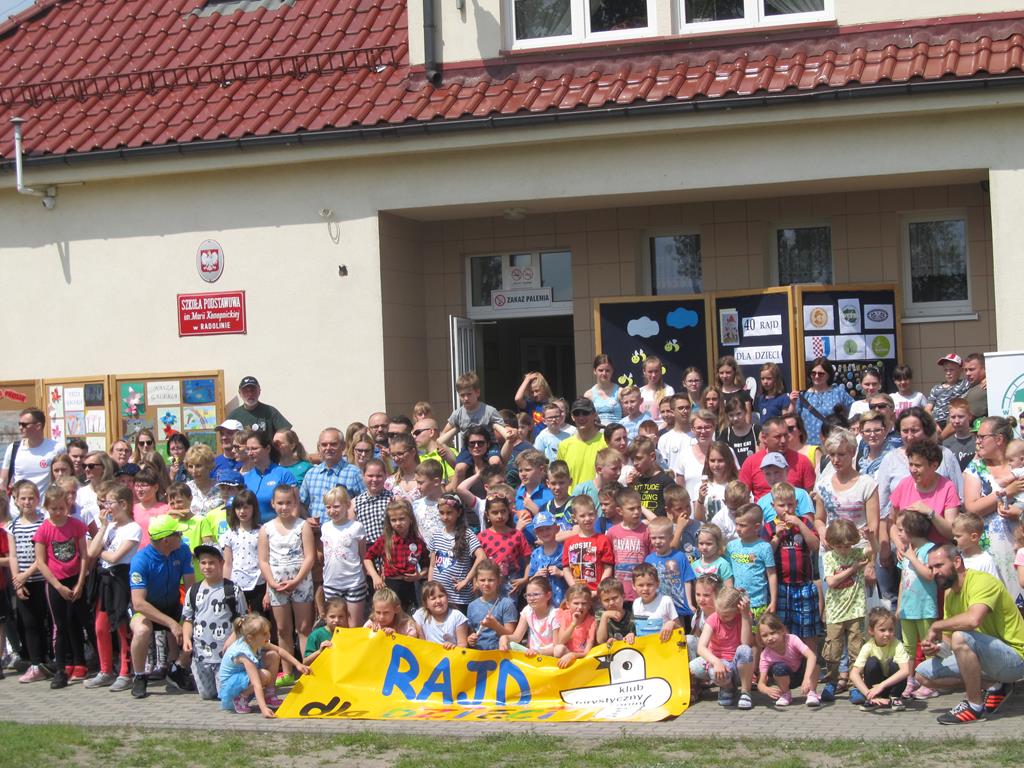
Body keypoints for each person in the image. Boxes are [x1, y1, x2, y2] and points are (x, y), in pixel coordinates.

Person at [916, 545, 1024, 724]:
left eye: (939, 565)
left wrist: (936, 626)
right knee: (923, 675)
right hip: (987, 659)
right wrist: (937, 649)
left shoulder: (982, 581)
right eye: (931, 568)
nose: (935, 572)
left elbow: (974, 620)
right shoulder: (951, 596)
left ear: (957, 562)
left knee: (961, 636)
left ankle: (974, 706)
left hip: (1016, 659)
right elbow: (949, 644)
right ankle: (994, 686)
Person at [127, 514, 196, 699]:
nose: (181, 537)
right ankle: (139, 676)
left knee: (194, 625)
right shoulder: (140, 560)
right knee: (142, 630)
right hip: (146, 609)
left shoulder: (183, 550)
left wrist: (186, 619)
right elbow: (139, 603)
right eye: (178, 534)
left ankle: (177, 669)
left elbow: (191, 587)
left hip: (172, 604)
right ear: (166, 540)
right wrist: (171, 624)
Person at [33, 486, 91, 689]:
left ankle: (82, 662)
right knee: (61, 626)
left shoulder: (76, 525)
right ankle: (60, 669)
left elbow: (84, 555)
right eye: (53, 508)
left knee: (80, 621)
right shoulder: (44, 529)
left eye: (61, 508)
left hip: (75, 579)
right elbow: (41, 562)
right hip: (56, 582)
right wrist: (58, 586)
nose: (58, 512)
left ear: (67, 506)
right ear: (47, 508)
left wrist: (80, 583)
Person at [257, 485, 315, 686]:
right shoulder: (266, 529)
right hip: (277, 584)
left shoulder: (302, 526)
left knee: (304, 628)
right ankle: (287, 671)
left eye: (288, 503)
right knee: (282, 629)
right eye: (280, 503)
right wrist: (272, 583)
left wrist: (297, 580)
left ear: (295, 503)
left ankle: (307, 669)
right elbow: (263, 560)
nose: (284, 507)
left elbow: (309, 556)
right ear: (273, 504)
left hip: (301, 581)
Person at [85, 483, 140, 690]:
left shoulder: (133, 528)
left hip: (121, 579)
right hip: (105, 580)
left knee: (122, 626)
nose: (106, 507)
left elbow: (116, 557)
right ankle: (105, 670)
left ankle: (126, 672)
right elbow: (91, 552)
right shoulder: (109, 527)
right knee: (100, 626)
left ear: (123, 504)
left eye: (110, 503)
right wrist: (103, 527)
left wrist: (100, 552)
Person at [963, 416, 1023, 600]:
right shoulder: (975, 468)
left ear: (998, 439)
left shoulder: (1020, 464)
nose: (977, 441)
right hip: (990, 551)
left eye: (982, 437)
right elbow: (972, 508)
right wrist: (1007, 492)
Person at [182, 543, 247, 701]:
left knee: (224, 695)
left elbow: (243, 619)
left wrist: (233, 637)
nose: (207, 567)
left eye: (211, 563)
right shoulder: (194, 590)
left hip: (224, 655)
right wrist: (186, 638)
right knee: (207, 695)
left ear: (221, 563)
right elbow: (188, 618)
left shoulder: (232, 590)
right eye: (203, 563)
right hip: (200, 655)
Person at [763, 482, 821, 651]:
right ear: (773, 506)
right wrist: (777, 537)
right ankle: (786, 661)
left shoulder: (804, 522)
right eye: (781, 505)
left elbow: (815, 545)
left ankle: (810, 661)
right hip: (780, 586)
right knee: (781, 628)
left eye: (790, 504)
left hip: (803, 584)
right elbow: (765, 555)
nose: (786, 509)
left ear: (796, 504)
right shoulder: (769, 527)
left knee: (807, 628)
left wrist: (800, 525)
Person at [219, 614, 307, 717]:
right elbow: (256, 682)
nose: (269, 636)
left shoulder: (255, 641)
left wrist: (298, 664)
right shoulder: (243, 653)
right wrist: (264, 709)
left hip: (243, 678)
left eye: (268, 632)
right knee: (265, 675)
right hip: (231, 691)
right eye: (264, 634)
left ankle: (269, 695)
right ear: (250, 637)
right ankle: (240, 698)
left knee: (273, 655)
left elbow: (279, 650)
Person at [892, 509, 940, 700]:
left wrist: (912, 557)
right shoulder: (906, 550)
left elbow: (929, 575)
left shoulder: (930, 549)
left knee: (928, 646)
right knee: (908, 649)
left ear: (912, 529)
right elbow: (903, 580)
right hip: (908, 609)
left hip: (925, 608)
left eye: (901, 530)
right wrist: (899, 606)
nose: (898, 534)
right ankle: (910, 680)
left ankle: (931, 683)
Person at [822, 519, 868, 702]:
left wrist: (871, 538)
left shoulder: (857, 553)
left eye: (847, 546)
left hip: (856, 610)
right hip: (835, 611)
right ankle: (832, 681)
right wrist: (853, 569)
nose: (843, 550)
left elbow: (874, 550)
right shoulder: (829, 557)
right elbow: (831, 581)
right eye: (839, 546)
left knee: (857, 650)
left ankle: (855, 685)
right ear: (831, 543)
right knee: (833, 650)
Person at [6, 481, 49, 683]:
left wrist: (27, 574)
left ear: (38, 499)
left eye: (31, 498)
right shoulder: (12, 526)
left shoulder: (44, 522)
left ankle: (48, 661)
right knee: (29, 623)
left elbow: (43, 556)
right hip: (23, 582)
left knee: (45, 622)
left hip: (42, 579)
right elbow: (13, 555)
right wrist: (18, 580)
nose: (27, 502)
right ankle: (35, 663)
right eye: (22, 498)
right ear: (16, 500)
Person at [363, 498, 428, 613]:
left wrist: (419, 575)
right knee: (391, 616)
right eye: (393, 520)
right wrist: (375, 576)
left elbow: (427, 565)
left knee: (411, 616)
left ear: (410, 519)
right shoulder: (385, 540)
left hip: (411, 587)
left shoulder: (418, 542)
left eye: (402, 519)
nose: (398, 523)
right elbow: (367, 558)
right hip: (390, 585)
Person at [695, 586, 755, 709]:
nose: (722, 617)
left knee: (745, 650)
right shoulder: (713, 618)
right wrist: (716, 662)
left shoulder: (743, 616)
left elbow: (746, 642)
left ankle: (745, 692)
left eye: (726, 615)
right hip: (721, 662)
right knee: (697, 668)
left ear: (737, 610)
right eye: (719, 613)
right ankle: (727, 688)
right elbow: (701, 647)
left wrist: (745, 616)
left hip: (738, 665)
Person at [428, 493, 484, 614]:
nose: (445, 517)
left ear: (458, 513)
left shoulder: (467, 534)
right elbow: (432, 565)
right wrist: (430, 585)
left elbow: (481, 556)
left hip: (459, 597)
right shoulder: (436, 535)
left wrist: (466, 580)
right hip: (438, 596)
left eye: (449, 513)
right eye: (442, 513)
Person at [1, 407, 64, 514]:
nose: (20, 428)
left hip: (44, 512)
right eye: (19, 424)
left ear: (38, 426)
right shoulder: (13, 448)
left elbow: (63, 479)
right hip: (16, 513)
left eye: (24, 425)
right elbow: (3, 481)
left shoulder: (57, 449)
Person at [319, 487, 367, 626]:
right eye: (328, 507)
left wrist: (364, 576)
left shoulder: (356, 527)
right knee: (335, 624)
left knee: (353, 625)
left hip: (353, 582)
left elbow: (362, 555)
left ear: (347, 505)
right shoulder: (325, 527)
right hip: (331, 582)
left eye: (336, 506)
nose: (332, 511)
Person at [850, 607, 911, 712]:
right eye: (882, 630)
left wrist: (882, 685)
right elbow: (853, 674)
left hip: (891, 686)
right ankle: (874, 699)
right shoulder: (868, 646)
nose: (887, 634)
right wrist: (868, 694)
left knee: (895, 665)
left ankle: (895, 697)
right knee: (871, 662)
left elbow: (906, 671)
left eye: (891, 629)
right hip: (875, 688)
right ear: (871, 630)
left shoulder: (897, 645)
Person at [738, 417, 815, 500]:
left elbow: (810, 497)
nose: (783, 440)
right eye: (777, 437)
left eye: (786, 435)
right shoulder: (751, 462)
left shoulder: (802, 461)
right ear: (764, 438)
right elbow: (741, 496)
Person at [756, 611, 822, 708]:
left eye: (772, 633)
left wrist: (807, 678)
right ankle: (786, 694)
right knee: (778, 668)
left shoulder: (792, 639)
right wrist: (766, 689)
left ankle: (812, 692)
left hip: (802, 674)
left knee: (815, 658)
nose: (769, 638)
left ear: (782, 630)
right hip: (787, 679)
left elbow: (811, 656)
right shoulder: (765, 655)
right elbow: (760, 683)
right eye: (764, 635)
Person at [726, 504, 776, 621]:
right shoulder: (731, 546)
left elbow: (772, 575)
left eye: (743, 525)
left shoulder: (764, 547)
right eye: (737, 524)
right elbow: (728, 574)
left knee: (757, 631)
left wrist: (773, 601)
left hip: (758, 603)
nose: (738, 528)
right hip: (737, 602)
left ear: (756, 527)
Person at [221, 489, 267, 617]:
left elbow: (266, 561)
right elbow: (227, 564)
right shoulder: (229, 534)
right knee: (238, 621)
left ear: (254, 508)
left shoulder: (262, 531)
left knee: (259, 620)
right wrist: (225, 587)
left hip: (258, 583)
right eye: (238, 508)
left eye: (246, 507)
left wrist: (268, 591)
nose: (242, 511)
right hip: (237, 585)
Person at [790, 357, 854, 447]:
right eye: (813, 373)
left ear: (828, 375)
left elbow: (855, 411)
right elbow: (792, 420)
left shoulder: (838, 393)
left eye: (821, 374)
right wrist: (792, 403)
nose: (816, 376)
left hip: (834, 445)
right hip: (808, 446)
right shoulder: (803, 396)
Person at [438, 371, 511, 449]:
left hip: (489, 447)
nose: (466, 398)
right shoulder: (457, 414)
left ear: (477, 393)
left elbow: (504, 428)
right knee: (461, 458)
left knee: (495, 457)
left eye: (469, 394)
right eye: (462, 395)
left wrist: (510, 433)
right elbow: (444, 433)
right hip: (468, 448)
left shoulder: (489, 411)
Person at [477, 494, 532, 598]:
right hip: (488, 583)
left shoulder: (517, 535)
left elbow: (528, 560)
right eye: (495, 512)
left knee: (509, 607)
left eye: (503, 511)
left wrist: (525, 578)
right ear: (487, 515)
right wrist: (475, 581)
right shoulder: (482, 536)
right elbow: (477, 562)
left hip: (511, 584)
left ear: (508, 512)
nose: (500, 516)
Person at [644, 516, 696, 627]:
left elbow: (687, 580)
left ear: (671, 538)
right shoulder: (649, 559)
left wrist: (690, 603)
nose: (657, 541)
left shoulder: (680, 557)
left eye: (661, 538)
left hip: (679, 608)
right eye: (654, 538)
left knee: (679, 633)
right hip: (657, 607)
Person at [606, 488, 651, 601]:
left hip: (642, 591)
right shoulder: (612, 532)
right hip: (619, 592)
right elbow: (609, 562)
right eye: (631, 509)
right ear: (619, 511)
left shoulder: (647, 531)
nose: (636, 512)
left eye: (638, 508)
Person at [562, 495, 613, 594]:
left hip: (598, 593)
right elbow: (566, 569)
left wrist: (599, 590)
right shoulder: (569, 542)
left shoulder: (603, 540)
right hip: (578, 594)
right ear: (574, 518)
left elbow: (608, 568)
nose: (587, 518)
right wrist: (575, 589)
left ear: (596, 514)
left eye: (590, 514)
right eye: (582, 516)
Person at [243, 430, 296, 525]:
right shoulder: (245, 478)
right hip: (252, 530)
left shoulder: (284, 474)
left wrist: (290, 529)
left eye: (254, 449)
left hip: (278, 529)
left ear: (267, 448)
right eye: (247, 449)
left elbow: (295, 506)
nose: (250, 453)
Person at [465, 560, 518, 650]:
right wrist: (470, 639)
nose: (486, 584)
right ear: (476, 582)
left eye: (491, 580)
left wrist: (495, 625)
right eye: (482, 580)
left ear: (498, 581)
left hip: (500, 654)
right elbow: (471, 632)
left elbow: (512, 637)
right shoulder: (472, 606)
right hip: (479, 654)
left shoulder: (507, 604)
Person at [556, 398, 607, 489]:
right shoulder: (564, 445)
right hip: (572, 497)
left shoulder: (606, 442)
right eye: (577, 414)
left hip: (599, 496)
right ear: (572, 417)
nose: (581, 417)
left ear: (595, 415)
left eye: (585, 413)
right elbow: (560, 477)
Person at [501, 575, 558, 655]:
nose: (531, 598)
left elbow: (557, 646)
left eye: (536, 594)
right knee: (509, 644)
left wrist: (539, 652)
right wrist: (505, 637)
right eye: (528, 595)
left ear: (548, 595)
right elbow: (517, 637)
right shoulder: (527, 610)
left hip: (548, 656)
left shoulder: (555, 614)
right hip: (531, 654)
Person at [227, 376, 292, 435]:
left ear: (259, 391)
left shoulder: (270, 412)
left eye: (253, 390)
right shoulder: (233, 416)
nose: (250, 394)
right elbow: (226, 436)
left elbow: (286, 434)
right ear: (240, 393)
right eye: (245, 391)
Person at [528, 511, 567, 608]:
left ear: (557, 529)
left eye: (548, 528)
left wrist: (561, 573)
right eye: (540, 530)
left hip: (563, 601)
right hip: (542, 605)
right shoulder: (535, 554)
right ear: (536, 533)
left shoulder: (565, 550)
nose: (545, 532)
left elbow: (574, 575)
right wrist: (537, 575)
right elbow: (530, 580)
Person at [413, 580, 469, 649]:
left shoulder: (457, 616)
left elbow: (463, 645)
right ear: (426, 604)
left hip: (452, 654)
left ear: (447, 597)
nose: (438, 601)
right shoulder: (421, 615)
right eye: (433, 598)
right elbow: (422, 643)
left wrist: (454, 647)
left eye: (441, 596)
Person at [555, 585, 598, 667]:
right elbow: (560, 641)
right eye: (576, 603)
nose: (580, 607)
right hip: (566, 655)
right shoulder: (565, 615)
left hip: (581, 658)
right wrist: (573, 624)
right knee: (558, 649)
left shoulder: (592, 621)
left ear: (589, 605)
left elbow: (587, 652)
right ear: (568, 604)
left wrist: (573, 655)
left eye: (584, 603)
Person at [927, 354, 970, 430]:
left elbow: (979, 378)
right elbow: (927, 409)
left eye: (951, 370)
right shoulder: (936, 388)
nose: (948, 373)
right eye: (946, 370)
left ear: (961, 370)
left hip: (953, 422)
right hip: (936, 424)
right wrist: (934, 425)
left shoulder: (965, 384)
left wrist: (985, 380)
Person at [954, 513, 1001, 579]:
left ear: (974, 537)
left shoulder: (986, 561)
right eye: (954, 535)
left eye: (958, 536)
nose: (954, 539)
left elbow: (994, 583)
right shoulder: (957, 558)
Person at [303, 596, 348, 665]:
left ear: (347, 616)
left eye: (341, 616)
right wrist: (319, 651)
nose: (337, 620)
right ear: (324, 617)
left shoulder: (348, 634)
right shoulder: (316, 635)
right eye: (332, 616)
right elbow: (305, 662)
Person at [596, 577, 636, 644]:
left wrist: (632, 635)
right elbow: (601, 641)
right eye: (606, 600)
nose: (611, 603)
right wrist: (604, 616)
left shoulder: (633, 612)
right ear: (601, 602)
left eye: (614, 598)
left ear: (623, 597)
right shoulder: (600, 614)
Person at [943, 398, 977, 472]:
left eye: (961, 416)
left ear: (970, 416)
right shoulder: (945, 445)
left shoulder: (978, 442)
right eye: (953, 417)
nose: (957, 421)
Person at [639, 355, 674, 424]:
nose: (653, 375)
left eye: (656, 371)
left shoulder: (668, 390)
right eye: (650, 372)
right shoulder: (640, 391)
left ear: (661, 371)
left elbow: (671, 414)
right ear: (644, 371)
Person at [961, 353, 988, 426]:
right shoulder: (967, 386)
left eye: (971, 369)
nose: (967, 373)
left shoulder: (983, 388)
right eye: (965, 370)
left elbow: (961, 420)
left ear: (985, 369)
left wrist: (941, 435)